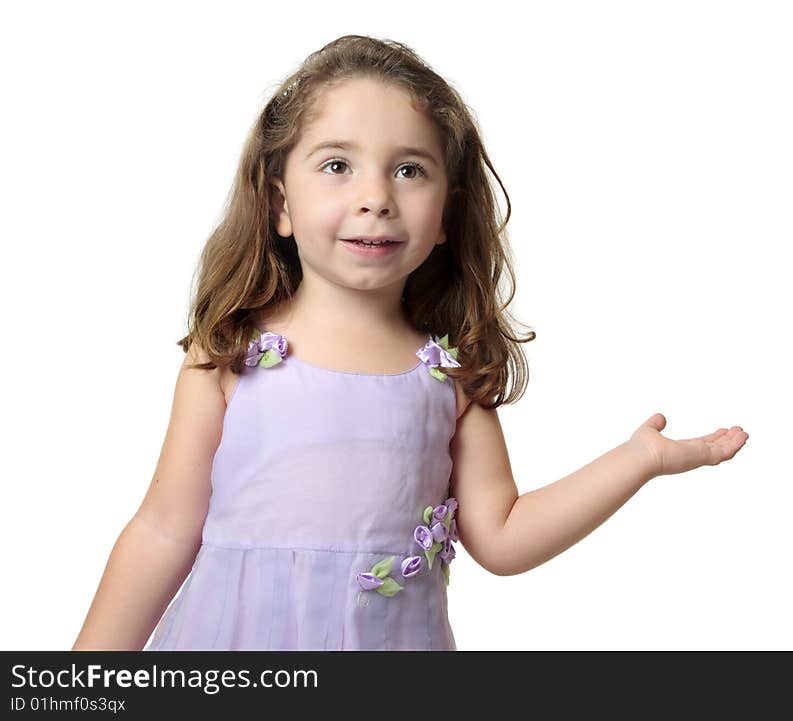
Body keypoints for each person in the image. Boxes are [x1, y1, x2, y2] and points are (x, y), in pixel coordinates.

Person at [72, 34, 748, 651]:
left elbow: (504, 534)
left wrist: (636, 461)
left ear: (448, 212)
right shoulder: (227, 357)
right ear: (280, 202)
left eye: (409, 170)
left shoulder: (448, 378)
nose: (376, 197)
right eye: (337, 165)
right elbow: (162, 530)